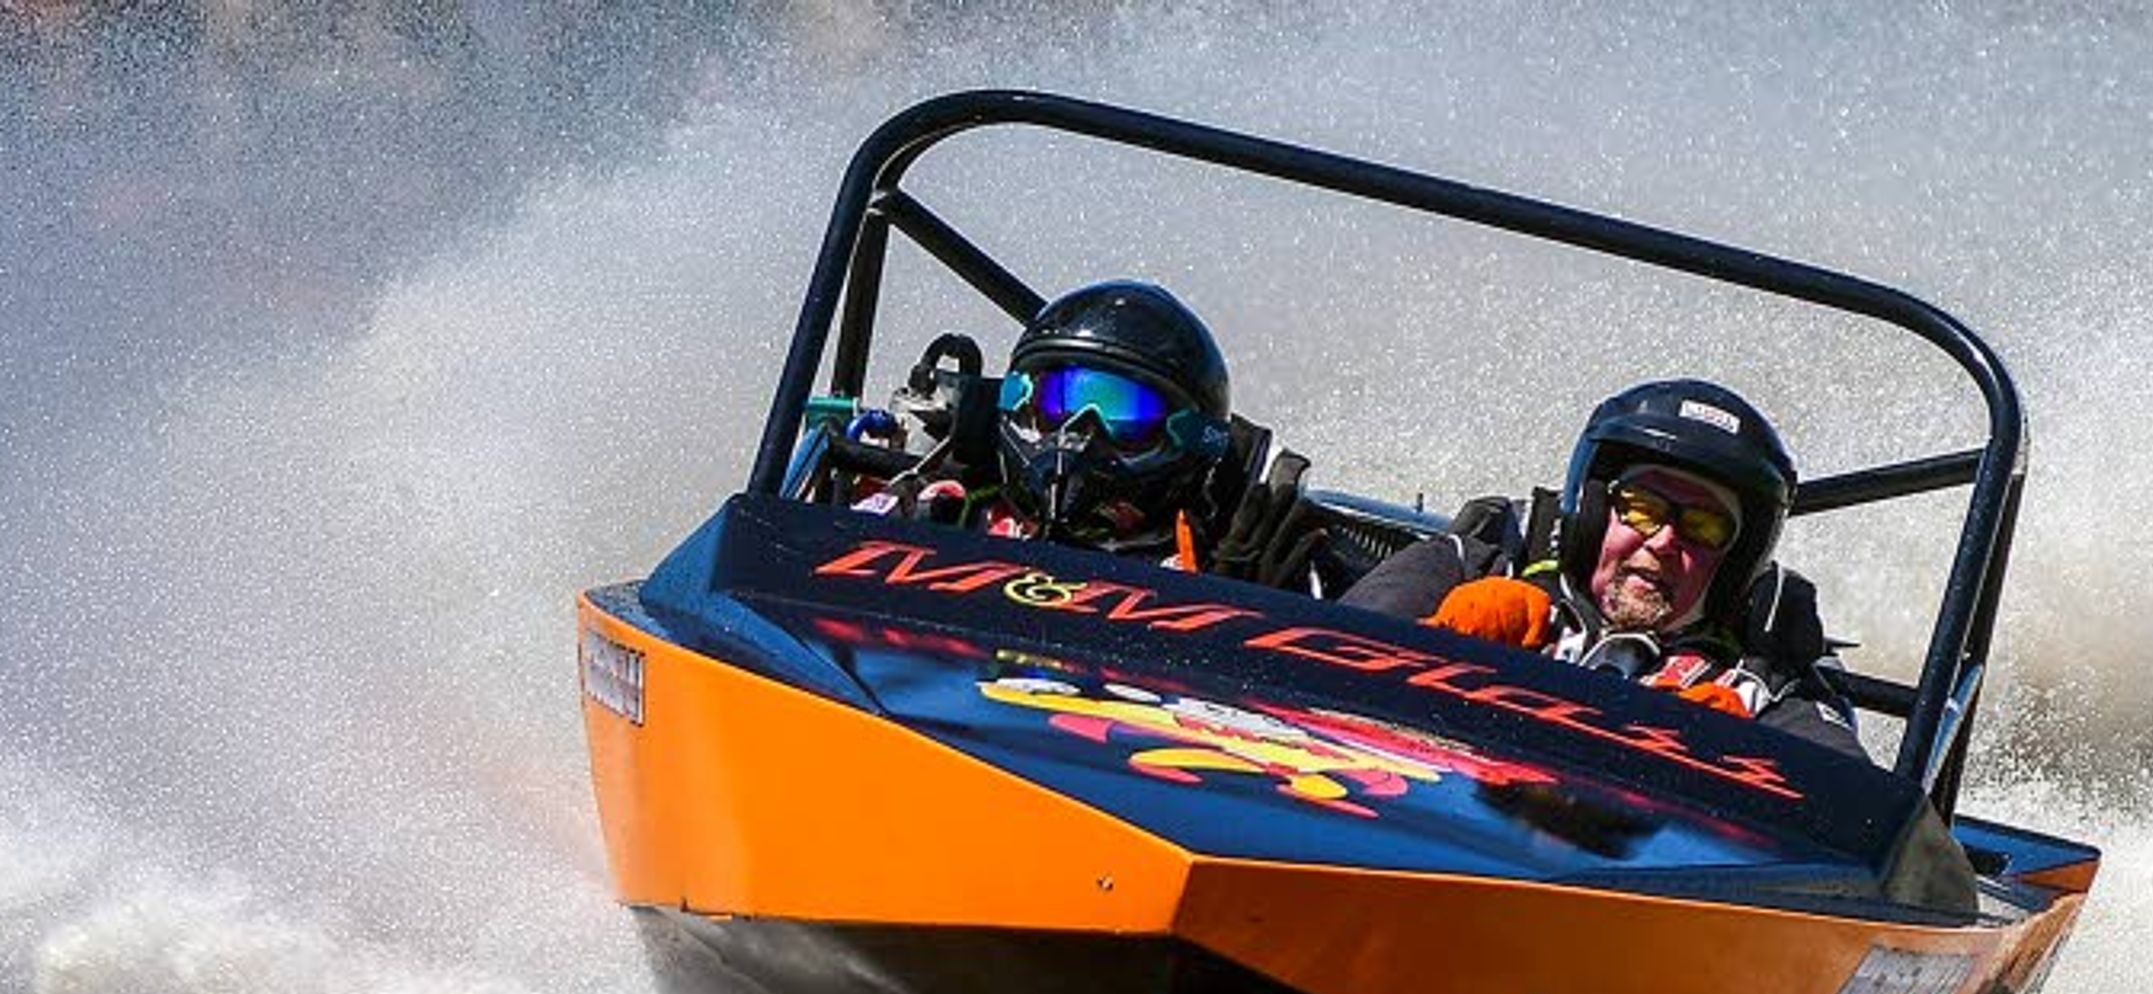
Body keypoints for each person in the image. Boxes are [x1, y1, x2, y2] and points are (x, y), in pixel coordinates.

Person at [1340, 378, 1854, 747]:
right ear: (1593, 511)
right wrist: (1433, 644)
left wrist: (1730, 755)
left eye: (1703, 527)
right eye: (1642, 509)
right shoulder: (1476, 568)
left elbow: (1853, 814)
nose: (1664, 542)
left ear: (1736, 560)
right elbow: (1328, 656)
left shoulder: (1769, 684)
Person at [792, 279, 1322, 587]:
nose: (1078, 434)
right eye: (1061, 400)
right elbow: (793, 580)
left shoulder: (1220, 560)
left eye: (1120, 409)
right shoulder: (940, 508)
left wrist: (1240, 608)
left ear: (1189, 437)